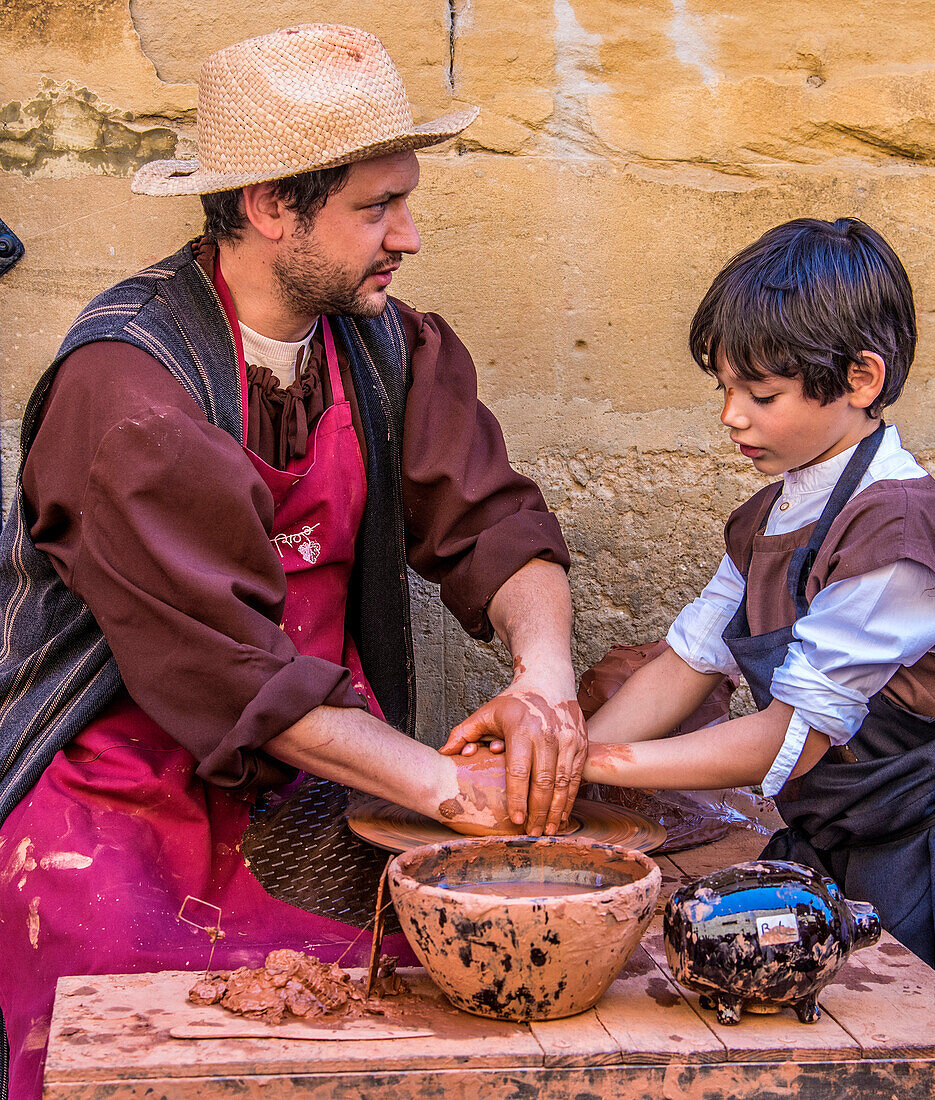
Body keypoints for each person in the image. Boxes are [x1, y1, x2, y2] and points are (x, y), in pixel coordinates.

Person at [0, 24, 586, 1098]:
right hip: (123, 792)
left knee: (418, 1016)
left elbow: (497, 522)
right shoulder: (128, 393)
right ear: (272, 206)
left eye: (405, 199)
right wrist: (455, 791)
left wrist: (545, 678)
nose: (407, 234)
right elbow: (234, 675)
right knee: (143, 1048)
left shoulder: (384, 344)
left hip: (323, 775)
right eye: (376, 207)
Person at [582, 218, 935, 1099]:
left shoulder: (895, 529)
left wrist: (604, 763)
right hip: (833, 854)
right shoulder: (771, 517)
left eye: (759, 394)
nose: (732, 416)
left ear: (860, 379)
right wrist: (568, 775)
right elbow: (688, 665)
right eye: (723, 389)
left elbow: (791, 740)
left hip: (930, 869)